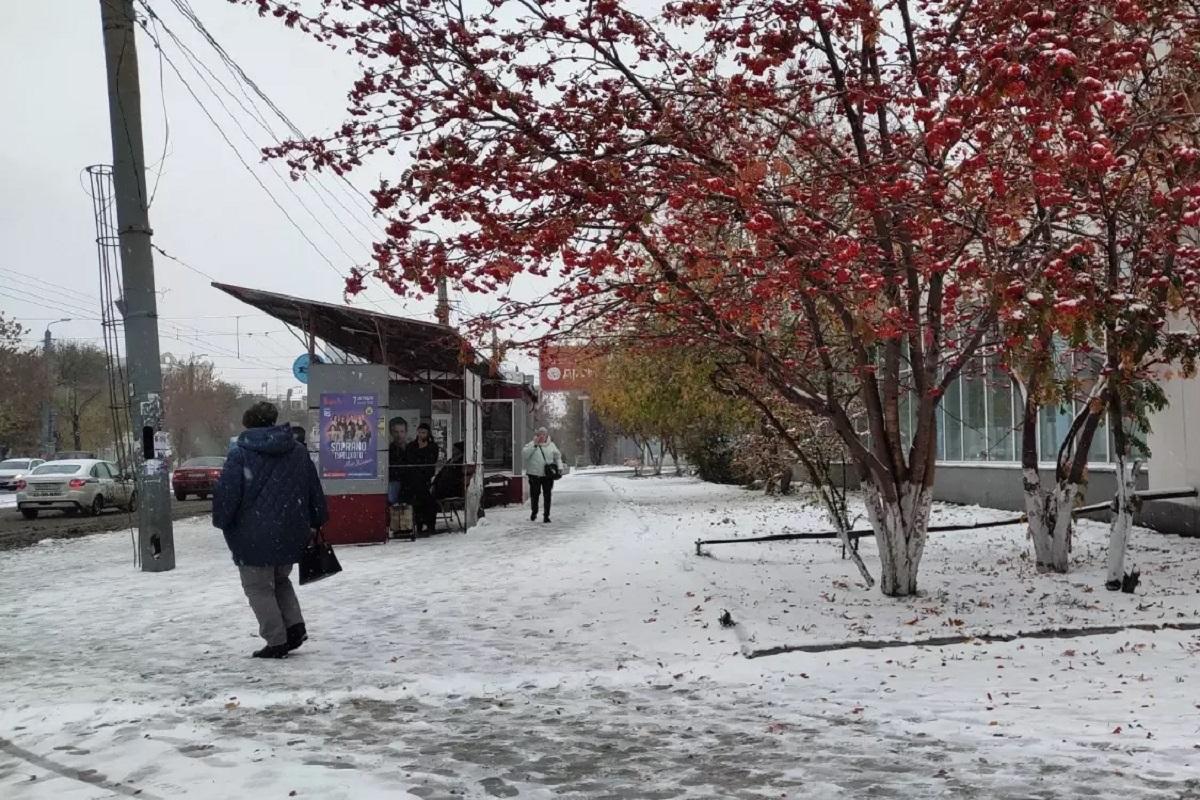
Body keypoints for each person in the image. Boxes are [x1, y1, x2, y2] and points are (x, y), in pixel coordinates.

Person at [213, 401, 329, 659]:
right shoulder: (297, 450)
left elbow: (228, 495)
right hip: (291, 531)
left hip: (252, 534)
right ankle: (295, 628)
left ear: (248, 424)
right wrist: (316, 520)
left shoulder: (240, 454)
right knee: (279, 579)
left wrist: (221, 519)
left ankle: (276, 640)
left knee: (257, 587)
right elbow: (313, 489)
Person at [522, 426, 563, 524]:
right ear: (537, 435)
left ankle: (546, 516)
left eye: (544, 434)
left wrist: (560, 467)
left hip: (547, 475)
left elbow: (558, 457)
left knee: (547, 495)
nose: (542, 436)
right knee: (535, 495)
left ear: (547, 435)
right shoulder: (531, 444)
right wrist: (535, 445)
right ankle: (534, 512)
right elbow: (525, 455)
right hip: (534, 475)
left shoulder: (551, 445)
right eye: (540, 434)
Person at [406, 422, 439, 534]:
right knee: (418, 501)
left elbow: (431, 460)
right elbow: (410, 460)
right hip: (414, 478)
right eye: (419, 432)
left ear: (428, 434)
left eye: (423, 433)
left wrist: (423, 450)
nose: (421, 435)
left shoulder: (432, 446)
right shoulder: (411, 446)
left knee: (428, 501)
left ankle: (430, 525)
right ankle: (419, 524)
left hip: (426, 478)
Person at [387, 418, 410, 506]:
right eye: (396, 432)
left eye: (402, 431)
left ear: (406, 432)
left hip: (407, 483)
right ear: (391, 433)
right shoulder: (390, 450)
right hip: (395, 481)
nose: (399, 435)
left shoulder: (411, 449)